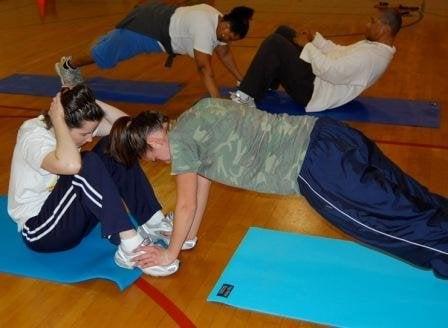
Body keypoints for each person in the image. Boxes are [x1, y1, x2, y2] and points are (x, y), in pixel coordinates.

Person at [106, 98, 448, 278]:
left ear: (155, 138)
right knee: (408, 194)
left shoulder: (179, 143)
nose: (165, 163)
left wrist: (169, 254)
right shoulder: (200, 111)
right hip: (331, 133)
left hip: (317, 168)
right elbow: (200, 187)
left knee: (390, 223)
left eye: (155, 157)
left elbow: (184, 205)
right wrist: (188, 238)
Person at [7, 84, 179, 276]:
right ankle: (130, 247)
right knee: (85, 161)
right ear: (62, 123)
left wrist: (90, 102)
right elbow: (72, 166)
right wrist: (58, 118)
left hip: (72, 215)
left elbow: (126, 127)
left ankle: (153, 221)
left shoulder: (75, 127)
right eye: (84, 134)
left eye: (91, 132)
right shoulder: (33, 136)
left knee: (114, 143)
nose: (89, 138)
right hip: (42, 231)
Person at [55, 1, 254, 98]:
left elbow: (224, 52)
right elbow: (204, 69)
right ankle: (67, 65)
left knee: (110, 46)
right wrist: (217, 101)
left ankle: (108, 41)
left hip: (155, 19)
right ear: (226, 25)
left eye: (231, 39)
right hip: (146, 30)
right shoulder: (205, 27)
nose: (226, 40)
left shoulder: (219, 20)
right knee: (104, 57)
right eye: (228, 36)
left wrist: (240, 79)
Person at [231, 8, 402, 112]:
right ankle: (267, 82)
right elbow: (339, 52)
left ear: (384, 28)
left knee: (275, 43)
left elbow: (331, 71)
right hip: (318, 79)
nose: (367, 25)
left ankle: (245, 97)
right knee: (284, 32)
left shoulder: (371, 58)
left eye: (372, 22)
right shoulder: (374, 47)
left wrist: (308, 46)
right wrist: (315, 40)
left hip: (314, 92)